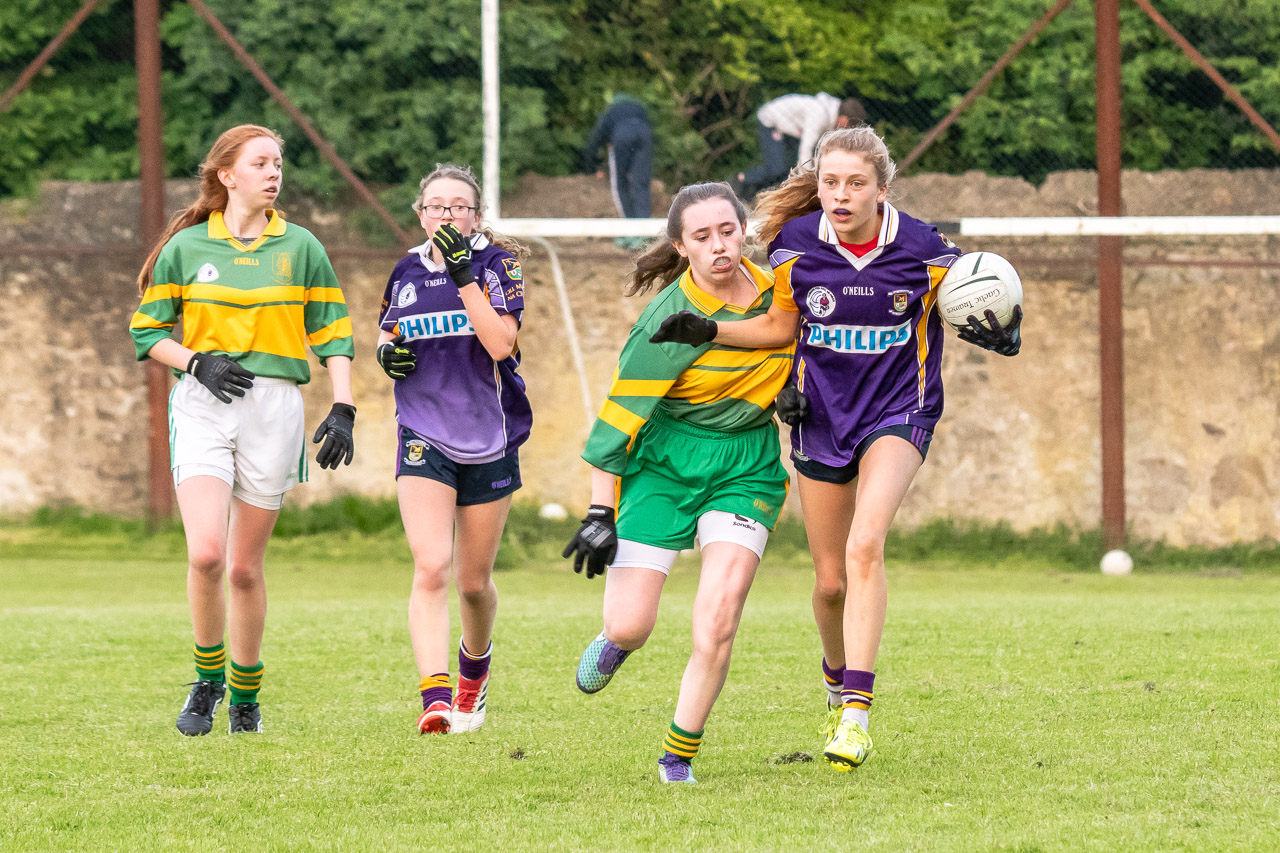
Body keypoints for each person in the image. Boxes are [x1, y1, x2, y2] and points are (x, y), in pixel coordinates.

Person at [652, 126, 1022, 771]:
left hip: (899, 413)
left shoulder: (927, 250)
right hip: (820, 418)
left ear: (882, 188)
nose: (841, 195)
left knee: (864, 546)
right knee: (828, 585)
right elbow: (779, 327)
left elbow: (982, 297)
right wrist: (709, 329)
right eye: (830, 182)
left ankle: (855, 714)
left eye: (856, 183)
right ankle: (834, 680)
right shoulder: (795, 248)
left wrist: (1004, 329)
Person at [562, 182, 794, 784]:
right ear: (680, 246)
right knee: (630, 624)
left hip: (745, 465)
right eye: (702, 236)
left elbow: (812, 359)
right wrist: (597, 513)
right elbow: (616, 424)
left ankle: (677, 759)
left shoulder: (781, 299)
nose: (720, 246)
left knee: (718, 616)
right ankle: (616, 642)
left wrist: (799, 397)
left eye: (728, 230)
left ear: (743, 230)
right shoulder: (666, 323)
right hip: (663, 464)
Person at [129, 124, 357, 736]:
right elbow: (146, 334)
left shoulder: (302, 246)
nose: (273, 172)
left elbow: (333, 331)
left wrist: (344, 406)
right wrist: (196, 361)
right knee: (206, 552)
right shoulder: (186, 249)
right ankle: (206, 681)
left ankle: (247, 698)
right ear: (227, 176)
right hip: (203, 401)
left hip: (275, 407)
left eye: (278, 163)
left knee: (243, 569)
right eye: (260, 163)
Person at [375, 163, 531, 735]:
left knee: (472, 582)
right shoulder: (404, 271)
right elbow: (388, 335)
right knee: (432, 566)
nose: (447, 215)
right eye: (436, 206)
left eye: (458, 206)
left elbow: (500, 343)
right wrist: (384, 354)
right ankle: (435, 699)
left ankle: (474, 673)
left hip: (489, 435)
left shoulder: (497, 265)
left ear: (477, 215)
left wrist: (466, 275)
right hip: (422, 432)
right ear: (420, 214)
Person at [733, 93, 866, 199]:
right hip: (771, 121)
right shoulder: (819, 116)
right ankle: (741, 179)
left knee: (790, 170)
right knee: (777, 169)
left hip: (792, 129)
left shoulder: (833, 112)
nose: (845, 129)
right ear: (843, 118)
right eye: (848, 125)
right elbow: (805, 150)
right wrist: (808, 184)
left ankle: (753, 195)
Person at [582, 94, 654, 250]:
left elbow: (595, 138)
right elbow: (646, 125)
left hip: (621, 136)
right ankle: (645, 231)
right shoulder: (639, 107)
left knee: (620, 184)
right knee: (640, 183)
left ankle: (630, 230)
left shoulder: (610, 111)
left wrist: (592, 168)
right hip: (643, 134)